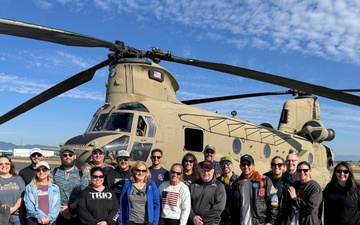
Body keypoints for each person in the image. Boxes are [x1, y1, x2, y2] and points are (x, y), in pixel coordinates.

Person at [231, 154, 278, 225]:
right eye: (243, 165)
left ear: (253, 166)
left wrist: (271, 221)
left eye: (248, 164)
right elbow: (234, 207)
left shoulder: (264, 181)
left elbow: (274, 201)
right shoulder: (237, 184)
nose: (246, 167)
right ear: (240, 167)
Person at [52, 146, 88, 225]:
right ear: (61, 157)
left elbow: (84, 194)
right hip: (57, 214)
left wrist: (69, 207)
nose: (67, 157)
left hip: (76, 215)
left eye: (70, 155)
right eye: (65, 155)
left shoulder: (81, 174)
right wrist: (59, 208)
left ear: (74, 156)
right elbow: (49, 192)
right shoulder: (53, 172)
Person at [119, 161, 160, 225]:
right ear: (134, 171)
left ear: (146, 172)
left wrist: (155, 223)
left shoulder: (151, 184)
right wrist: (120, 222)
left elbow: (156, 205)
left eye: (143, 171)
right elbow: (122, 203)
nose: (141, 173)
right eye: (138, 170)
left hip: (147, 222)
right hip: (130, 221)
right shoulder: (128, 184)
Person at [188, 160, 226, 225]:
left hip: (210, 222)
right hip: (193, 222)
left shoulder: (219, 186)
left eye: (208, 170)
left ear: (213, 171)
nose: (206, 173)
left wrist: (202, 220)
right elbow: (186, 203)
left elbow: (219, 207)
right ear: (199, 170)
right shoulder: (193, 185)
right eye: (203, 170)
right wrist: (193, 217)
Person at [263, 156, 291, 225]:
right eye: (274, 165)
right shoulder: (264, 179)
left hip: (280, 219)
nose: (276, 167)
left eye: (279, 165)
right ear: (271, 166)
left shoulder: (287, 183)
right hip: (265, 217)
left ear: (284, 166)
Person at [0, 156, 26, 225]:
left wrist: (13, 209)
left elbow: (23, 196)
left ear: (10, 165)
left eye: (6, 164)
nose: (4, 166)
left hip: (17, 217)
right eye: (1, 164)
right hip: (1, 217)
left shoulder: (18, 179)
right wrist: (5, 210)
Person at [217, 156, 238, 225]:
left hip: (236, 216)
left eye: (227, 163)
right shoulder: (217, 182)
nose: (225, 166)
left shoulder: (239, 180)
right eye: (223, 164)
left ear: (232, 165)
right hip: (222, 216)